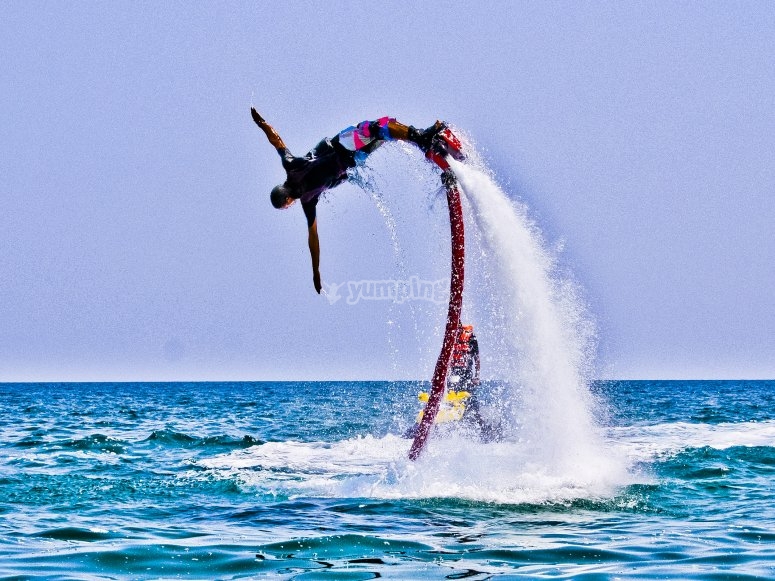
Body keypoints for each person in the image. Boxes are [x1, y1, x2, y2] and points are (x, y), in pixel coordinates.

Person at [251, 108, 446, 293]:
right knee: (385, 131)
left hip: (343, 146)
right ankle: (426, 142)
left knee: (380, 128)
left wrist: (316, 273)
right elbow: (276, 141)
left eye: (284, 206)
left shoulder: (299, 183)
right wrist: (261, 123)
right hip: (352, 159)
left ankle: (423, 137)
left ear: (285, 199)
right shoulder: (303, 191)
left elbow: (313, 239)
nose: (287, 208)